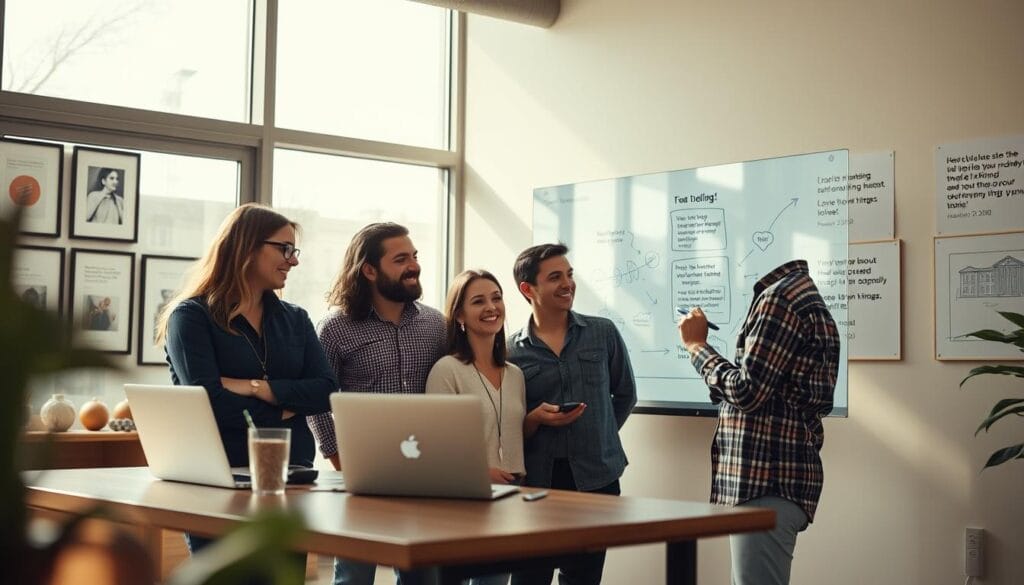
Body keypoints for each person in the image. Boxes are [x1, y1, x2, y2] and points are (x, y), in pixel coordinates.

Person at [156, 203, 337, 581]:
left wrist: (256, 388)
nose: (293, 261)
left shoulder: (297, 319)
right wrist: (286, 409)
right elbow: (207, 403)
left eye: (294, 251)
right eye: (284, 249)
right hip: (218, 480)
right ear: (246, 247)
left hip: (292, 477)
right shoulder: (190, 318)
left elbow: (325, 391)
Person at [677, 259, 839, 585]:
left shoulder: (780, 299)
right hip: (771, 484)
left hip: (766, 483)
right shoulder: (793, 294)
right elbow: (768, 391)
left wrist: (696, 345)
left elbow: (747, 391)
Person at [306, 222, 445, 585]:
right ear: (369, 270)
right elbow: (318, 399)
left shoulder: (436, 325)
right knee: (354, 575)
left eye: (414, 256)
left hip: (424, 470)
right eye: (401, 259)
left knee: (424, 576)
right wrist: (337, 455)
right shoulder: (335, 329)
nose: (413, 265)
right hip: (362, 472)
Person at [507, 243, 637, 585]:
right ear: (528, 289)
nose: (568, 283)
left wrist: (600, 434)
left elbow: (625, 394)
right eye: (555, 277)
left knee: (582, 579)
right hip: (538, 484)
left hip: (597, 479)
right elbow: (506, 426)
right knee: (528, 578)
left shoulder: (602, 332)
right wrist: (534, 420)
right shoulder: (509, 351)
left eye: (569, 274)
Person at [426, 270, 526, 585]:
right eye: (478, 301)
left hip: (509, 501)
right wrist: (480, 473)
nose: (491, 307)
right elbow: (434, 444)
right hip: (461, 503)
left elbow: (511, 432)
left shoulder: (516, 375)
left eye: (496, 298)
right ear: (459, 315)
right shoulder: (447, 370)